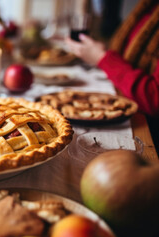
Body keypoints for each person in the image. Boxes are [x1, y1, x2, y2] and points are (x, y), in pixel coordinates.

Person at [66, 0, 159, 154]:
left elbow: (155, 98)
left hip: (149, 129)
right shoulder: (148, 6)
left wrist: (102, 58)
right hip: (129, 100)